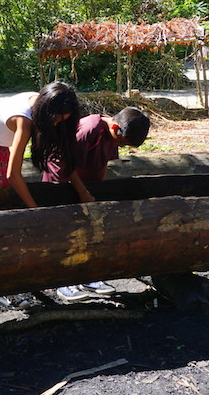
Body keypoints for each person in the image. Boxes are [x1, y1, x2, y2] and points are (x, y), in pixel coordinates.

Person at [47, 106, 150, 302]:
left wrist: (98, 191)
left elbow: (103, 163)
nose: (120, 145)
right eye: (121, 141)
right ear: (115, 126)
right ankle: (63, 283)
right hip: (62, 184)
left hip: (86, 187)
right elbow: (64, 163)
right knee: (66, 234)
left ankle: (87, 277)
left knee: (87, 232)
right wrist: (83, 192)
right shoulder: (89, 129)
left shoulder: (114, 134)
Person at [0, 81, 95, 208]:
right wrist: (34, 209)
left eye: (61, 121)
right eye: (55, 119)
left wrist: (83, 192)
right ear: (46, 112)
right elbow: (13, 174)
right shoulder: (24, 122)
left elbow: (62, 154)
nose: (56, 124)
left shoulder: (41, 102)